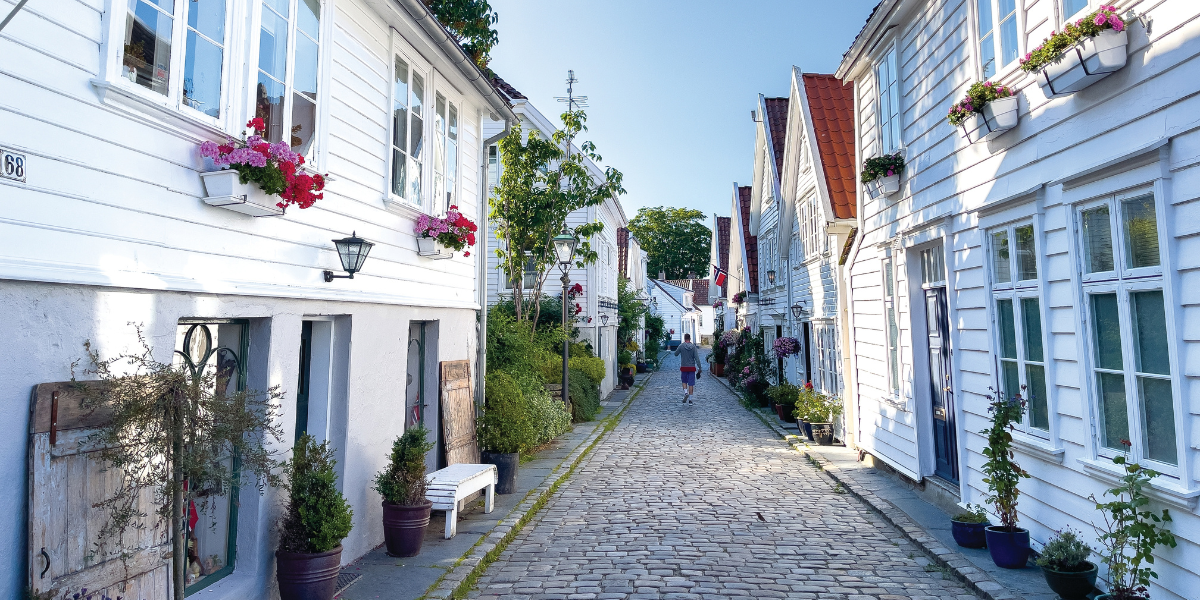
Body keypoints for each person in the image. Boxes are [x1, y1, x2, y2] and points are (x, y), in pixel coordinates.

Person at [674, 333, 700, 405]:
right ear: (690, 338)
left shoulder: (681, 346)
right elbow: (697, 358)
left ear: (684, 338)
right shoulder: (693, 347)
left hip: (684, 367)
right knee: (691, 384)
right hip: (691, 367)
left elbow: (676, 354)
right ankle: (690, 401)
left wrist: (680, 350)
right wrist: (700, 368)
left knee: (684, 381)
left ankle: (686, 392)